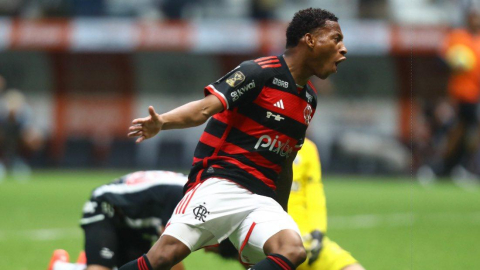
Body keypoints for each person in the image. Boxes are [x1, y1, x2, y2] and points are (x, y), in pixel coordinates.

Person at [125, 7, 347, 270]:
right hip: (222, 182)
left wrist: (280, 213)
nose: (343, 49)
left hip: (262, 199)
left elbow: (285, 161)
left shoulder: (309, 99)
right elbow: (203, 109)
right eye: (336, 39)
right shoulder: (259, 73)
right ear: (309, 40)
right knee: (162, 258)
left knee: (293, 250)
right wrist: (162, 122)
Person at [48, 170, 188, 270]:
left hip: (136, 222)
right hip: (107, 206)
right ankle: (61, 266)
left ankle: (83, 265)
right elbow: (168, 251)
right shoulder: (183, 194)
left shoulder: (189, 188)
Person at [289, 138, 364, 270]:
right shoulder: (262, 142)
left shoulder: (308, 148)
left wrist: (318, 231)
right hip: (275, 240)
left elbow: (314, 193)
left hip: (307, 239)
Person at [431, 10, 480, 178]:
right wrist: (453, 64)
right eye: (473, 16)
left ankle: (463, 165)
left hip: (476, 94)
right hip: (460, 95)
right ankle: (441, 166)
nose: (476, 20)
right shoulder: (457, 36)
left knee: (468, 131)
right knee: (457, 130)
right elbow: (439, 61)